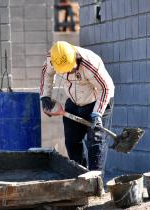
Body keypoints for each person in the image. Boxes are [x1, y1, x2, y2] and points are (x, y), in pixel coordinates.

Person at [40, 41, 115, 172]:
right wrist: (45, 97)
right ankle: (81, 177)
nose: (69, 71)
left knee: (96, 142)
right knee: (71, 142)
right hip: (74, 102)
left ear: (76, 58)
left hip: (97, 102)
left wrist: (97, 115)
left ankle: (95, 183)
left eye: (71, 68)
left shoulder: (91, 62)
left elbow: (106, 87)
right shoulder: (53, 59)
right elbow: (46, 73)